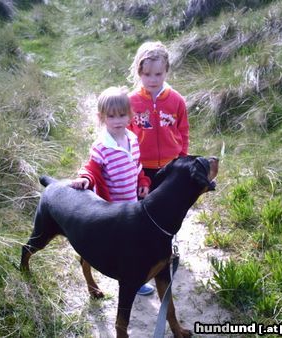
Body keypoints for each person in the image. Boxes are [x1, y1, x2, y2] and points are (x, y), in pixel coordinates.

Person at [69, 86, 154, 295]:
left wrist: (143, 182)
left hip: (132, 205)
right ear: (102, 118)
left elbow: (137, 166)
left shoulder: (132, 139)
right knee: (121, 246)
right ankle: (122, 274)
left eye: (122, 115)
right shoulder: (102, 146)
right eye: (111, 116)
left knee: (135, 242)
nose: (117, 121)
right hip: (112, 209)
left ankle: (135, 278)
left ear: (130, 115)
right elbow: (92, 168)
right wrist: (84, 179)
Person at [127, 41, 189, 183]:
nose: (153, 80)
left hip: (171, 165)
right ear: (139, 71)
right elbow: (125, 133)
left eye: (158, 74)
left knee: (169, 204)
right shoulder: (130, 101)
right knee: (144, 204)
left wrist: (182, 158)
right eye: (147, 74)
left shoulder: (177, 100)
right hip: (140, 167)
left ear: (166, 70)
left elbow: (183, 131)